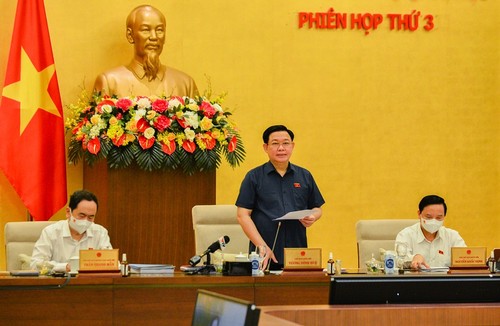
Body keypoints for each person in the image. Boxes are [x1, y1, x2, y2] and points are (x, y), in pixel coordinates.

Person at [235, 125, 325, 270]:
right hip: (264, 254)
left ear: (292, 146)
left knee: (296, 292)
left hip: (298, 254)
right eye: (275, 143)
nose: (281, 148)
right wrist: (262, 247)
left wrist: (313, 216)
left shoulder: (304, 175)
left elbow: (317, 208)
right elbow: (242, 215)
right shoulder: (254, 177)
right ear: (266, 147)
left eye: (286, 143)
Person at [93, 5, 198, 98]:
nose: (154, 37)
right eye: (145, 30)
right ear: (130, 35)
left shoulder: (185, 84)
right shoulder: (109, 82)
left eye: (159, 30)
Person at [30, 190, 112, 272]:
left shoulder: (100, 233)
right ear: (68, 212)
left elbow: (111, 263)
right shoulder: (51, 232)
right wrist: (63, 267)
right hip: (59, 283)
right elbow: (35, 264)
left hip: (90, 283)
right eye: (82, 215)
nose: (85, 221)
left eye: (90, 217)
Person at [395, 194, 466, 269]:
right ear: (419, 214)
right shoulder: (405, 235)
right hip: (417, 279)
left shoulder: (452, 236)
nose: (433, 221)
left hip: (445, 280)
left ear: (444, 216)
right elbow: (398, 261)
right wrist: (414, 258)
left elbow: (465, 259)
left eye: (439, 217)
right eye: (429, 217)